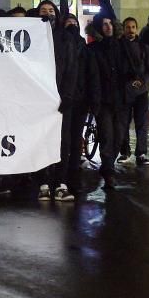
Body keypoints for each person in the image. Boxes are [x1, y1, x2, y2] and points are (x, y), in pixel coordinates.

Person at [43, 13, 95, 202]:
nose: (72, 25)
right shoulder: (57, 44)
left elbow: (90, 74)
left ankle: (70, 175)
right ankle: (53, 178)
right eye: (68, 23)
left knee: (73, 140)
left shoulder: (84, 48)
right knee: (60, 139)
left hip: (79, 101)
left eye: (74, 23)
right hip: (60, 99)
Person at [88, 16, 131, 190]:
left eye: (110, 24)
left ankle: (108, 166)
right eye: (104, 24)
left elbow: (130, 70)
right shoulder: (93, 49)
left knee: (119, 136)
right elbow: (92, 77)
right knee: (107, 136)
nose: (108, 27)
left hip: (121, 101)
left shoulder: (121, 47)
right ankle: (109, 172)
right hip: (103, 101)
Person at [119, 17, 149, 166]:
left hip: (141, 92)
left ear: (137, 29)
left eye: (133, 27)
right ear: (123, 29)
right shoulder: (118, 48)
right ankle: (125, 151)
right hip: (124, 91)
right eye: (128, 27)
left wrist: (143, 81)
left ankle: (141, 153)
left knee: (141, 123)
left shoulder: (145, 48)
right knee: (123, 123)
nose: (130, 30)